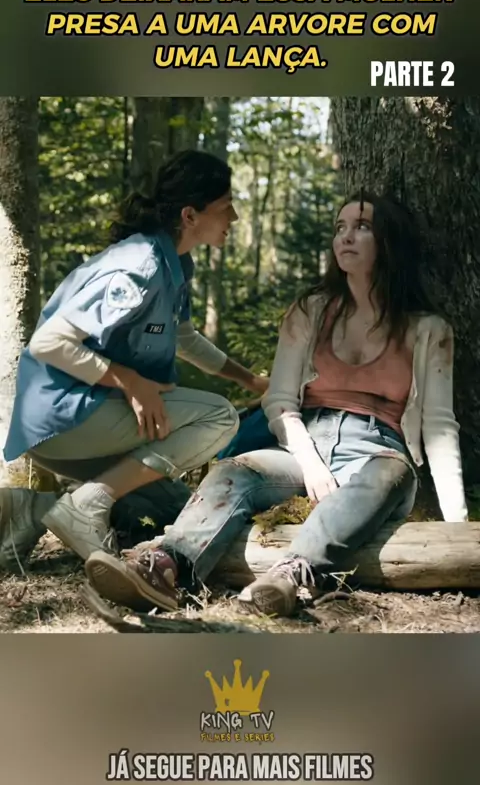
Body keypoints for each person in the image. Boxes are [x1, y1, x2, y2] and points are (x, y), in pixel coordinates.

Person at [84, 190, 468, 617]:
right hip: (303, 443)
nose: (345, 236)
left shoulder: (429, 329)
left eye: (362, 227)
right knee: (235, 470)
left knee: (388, 473)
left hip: (377, 452)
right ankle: (166, 567)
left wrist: (457, 526)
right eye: (340, 227)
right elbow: (281, 401)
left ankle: (291, 576)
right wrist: (312, 463)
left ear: (389, 241)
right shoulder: (311, 311)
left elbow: (439, 427)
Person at [0, 149, 269, 574]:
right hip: (63, 419)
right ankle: (87, 504)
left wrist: (251, 380)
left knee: (173, 506)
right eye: (225, 206)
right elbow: (49, 343)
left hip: (82, 428)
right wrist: (129, 380)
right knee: (219, 417)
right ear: (190, 215)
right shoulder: (139, 266)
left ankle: (33, 509)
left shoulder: (174, 264)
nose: (233, 217)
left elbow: (184, 339)